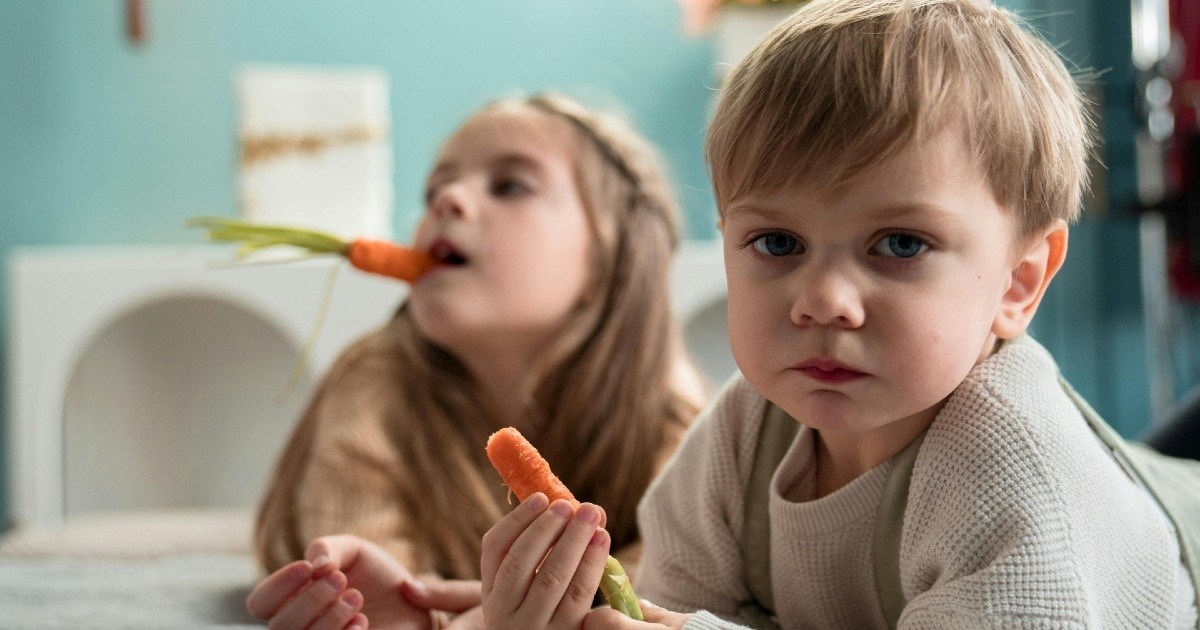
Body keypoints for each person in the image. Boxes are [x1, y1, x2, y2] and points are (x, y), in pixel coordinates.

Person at [478, 0, 1200, 628]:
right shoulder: (741, 439)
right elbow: (668, 609)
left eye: (899, 244)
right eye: (777, 242)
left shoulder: (1016, 485)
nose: (822, 299)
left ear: (1018, 282)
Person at [244, 92, 707, 629]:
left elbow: (684, 570)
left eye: (510, 185)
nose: (449, 200)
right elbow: (388, 585)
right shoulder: (376, 380)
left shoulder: (665, 398)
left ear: (607, 261)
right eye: (435, 189)